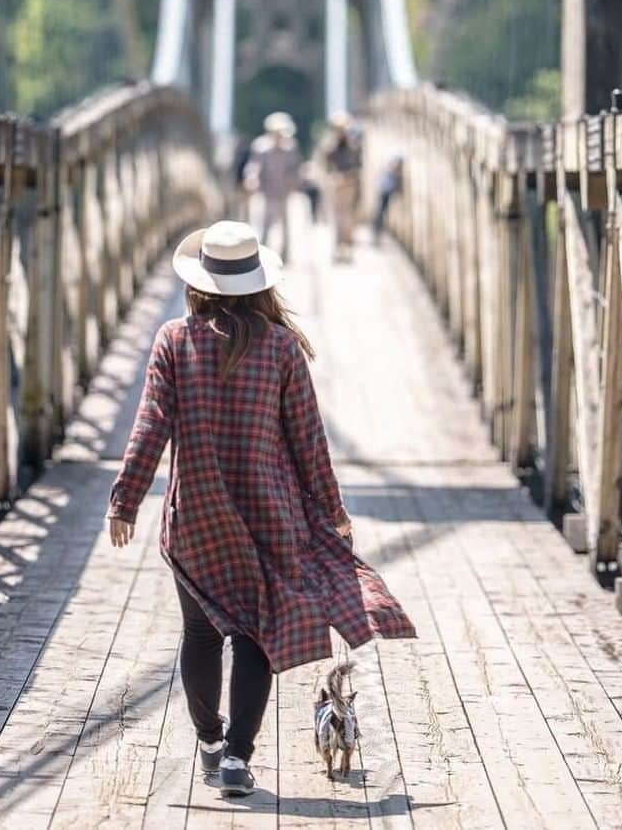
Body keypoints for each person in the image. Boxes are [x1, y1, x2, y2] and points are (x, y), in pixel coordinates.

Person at [106, 221, 415, 797]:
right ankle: (237, 761)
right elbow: (308, 440)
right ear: (258, 284)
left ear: (200, 284)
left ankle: (210, 742)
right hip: (269, 516)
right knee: (253, 636)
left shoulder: (175, 340)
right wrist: (332, 509)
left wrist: (125, 501)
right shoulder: (280, 347)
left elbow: (150, 427)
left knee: (199, 633)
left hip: (195, 517)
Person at [244, 111, 300, 262]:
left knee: (285, 226)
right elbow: (254, 166)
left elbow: (294, 168)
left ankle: (285, 256)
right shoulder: (261, 146)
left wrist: (294, 181)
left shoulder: (290, 147)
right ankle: (261, 255)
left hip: (284, 192)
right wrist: (252, 178)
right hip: (266, 192)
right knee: (264, 225)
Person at [319, 112, 363, 261]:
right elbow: (325, 165)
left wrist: (347, 177)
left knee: (348, 219)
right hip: (336, 186)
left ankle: (347, 247)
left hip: (349, 185)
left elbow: (358, 166)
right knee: (337, 219)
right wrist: (332, 177)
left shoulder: (353, 145)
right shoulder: (330, 145)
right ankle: (339, 248)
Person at [372, 153, 404, 242]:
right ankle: (376, 231)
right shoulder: (392, 168)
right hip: (385, 191)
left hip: (386, 191)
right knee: (380, 212)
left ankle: (377, 231)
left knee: (381, 211)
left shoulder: (390, 168)